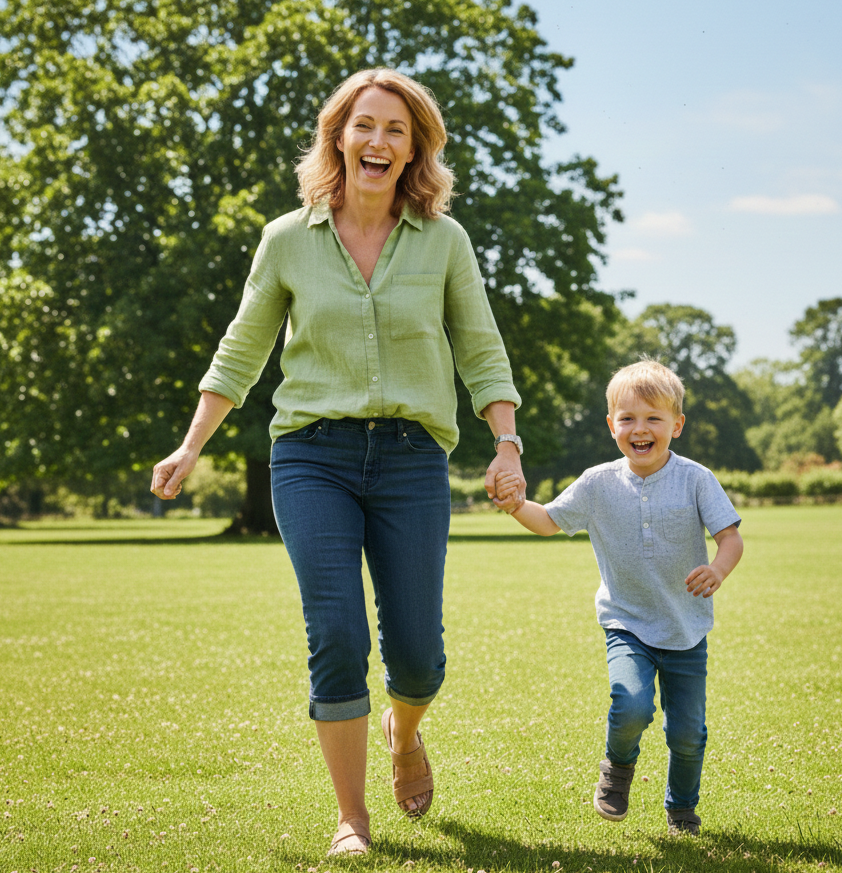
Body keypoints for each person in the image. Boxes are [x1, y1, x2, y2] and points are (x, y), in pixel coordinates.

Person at [150, 68, 526, 856]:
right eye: (365, 125)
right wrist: (191, 444)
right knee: (336, 632)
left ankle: (404, 731)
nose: (378, 141)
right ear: (339, 138)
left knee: (418, 654)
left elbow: (481, 346)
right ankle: (353, 817)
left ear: (415, 150)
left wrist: (506, 441)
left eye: (396, 130)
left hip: (411, 459)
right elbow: (242, 349)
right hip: (311, 456)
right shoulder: (288, 238)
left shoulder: (445, 241)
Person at [494, 359, 742, 836]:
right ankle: (618, 768)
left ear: (677, 425)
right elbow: (548, 521)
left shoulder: (696, 479)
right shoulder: (597, 482)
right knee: (631, 704)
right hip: (626, 623)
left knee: (688, 733)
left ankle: (682, 809)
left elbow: (730, 537)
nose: (640, 429)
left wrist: (717, 569)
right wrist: (515, 505)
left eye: (653, 418)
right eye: (627, 418)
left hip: (686, 629)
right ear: (611, 425)